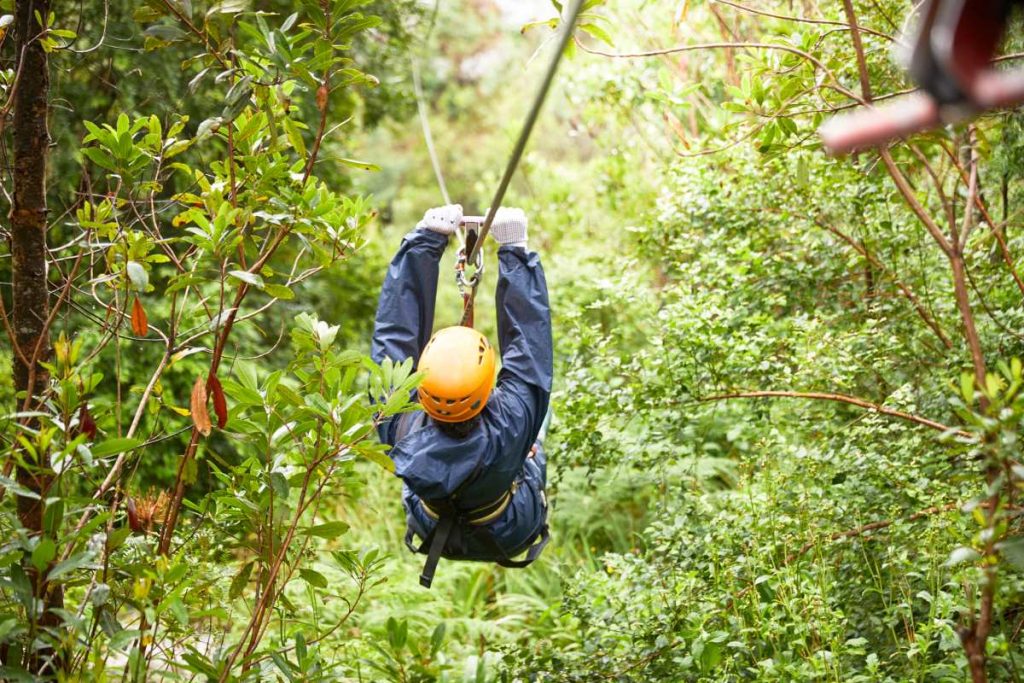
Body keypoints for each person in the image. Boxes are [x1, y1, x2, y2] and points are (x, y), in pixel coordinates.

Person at [371, 204, 553, 588]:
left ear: (421, 388)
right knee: (539, 407)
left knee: (531, 405)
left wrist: (424, 242)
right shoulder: (510, 425)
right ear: (488, 389)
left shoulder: (398, 420)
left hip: (431, 522)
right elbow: (530, 355)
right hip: (508, 526)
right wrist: (514, 251)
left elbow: (394, 339)